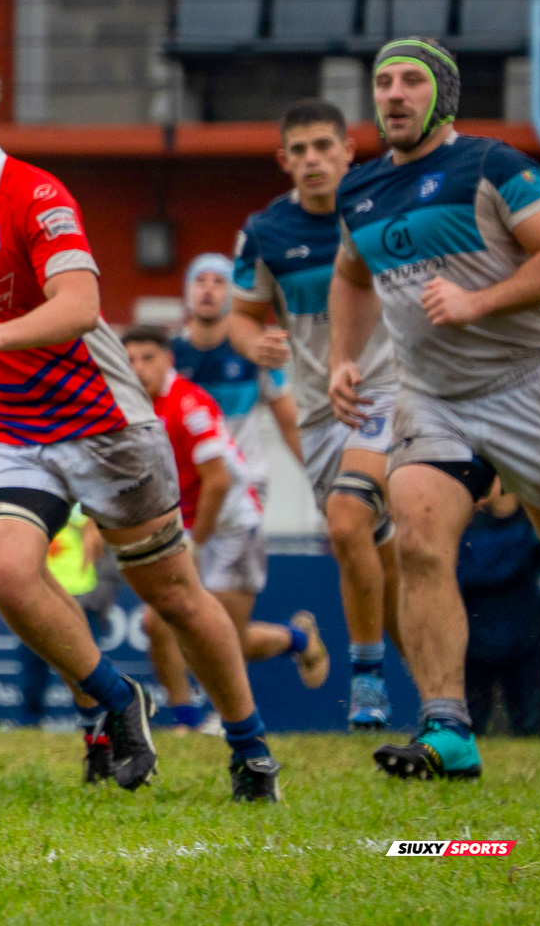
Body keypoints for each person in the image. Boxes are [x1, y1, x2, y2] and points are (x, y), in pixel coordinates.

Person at [0, 43, 283, 802]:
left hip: (106, 427)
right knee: (2, 572)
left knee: (175, 597)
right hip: (13, 431)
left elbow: (79, 306)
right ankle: (116, 699)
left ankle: (250, 747)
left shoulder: (38, 194)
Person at [329, 36, 540, 781]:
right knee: (419, 543)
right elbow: (351, 274)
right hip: (434, 400)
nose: (394, 94)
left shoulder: (494, 165)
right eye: (384, 82)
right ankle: (448, 729)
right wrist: (342, 357)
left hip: (533, 383)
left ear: (444, 96)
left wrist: (478, 301)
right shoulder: (360, 191)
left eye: (411, 81)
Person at [229, 98, 402, 729]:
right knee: (376, 550)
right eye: (299, 150)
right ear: (283, 160)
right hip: (319, 410)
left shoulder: (383, 208)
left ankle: (367, 676)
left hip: (389, 390)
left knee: (349, 522)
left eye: (324, 146)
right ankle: (439, 700)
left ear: (349, 151)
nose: (312, 160)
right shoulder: (265, 231)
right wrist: (257, 343)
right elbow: (241, 318)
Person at [122, 327, 329, 731]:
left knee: (224, 639)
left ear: (168, 360)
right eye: (130, 360)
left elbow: (218, 481)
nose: (138, 368)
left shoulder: (189, 403)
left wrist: (195, 545)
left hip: (231, 525)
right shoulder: (132, 407)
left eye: (147, 358)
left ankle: (298, 641)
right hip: (187, 524)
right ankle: (187, 723)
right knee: (155, 623)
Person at [170, 254, 300, 513]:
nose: (208, 289)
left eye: (219, 282)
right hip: (185, 484)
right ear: (187, 291)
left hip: (246, 480)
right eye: (200, 281)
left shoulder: (255, 352)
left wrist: (317, 474)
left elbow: (289, 424)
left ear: (233, 294)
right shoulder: (168, 356)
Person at [459, 479, 540, 737]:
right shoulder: (466, 524)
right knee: (471, 724)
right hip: (473, 642)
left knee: (531, 724)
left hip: (529, 642)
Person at [17, 506, 105, 729]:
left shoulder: (79, 503)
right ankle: (30, 721)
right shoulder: (27, 501)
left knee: (85, 663)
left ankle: (95, 719)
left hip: (79, 594)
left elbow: (94, 529)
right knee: (33, 664)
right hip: (35, 591)